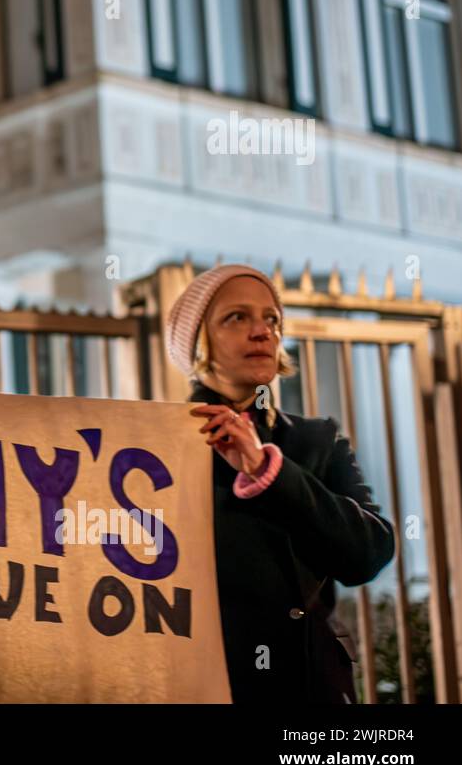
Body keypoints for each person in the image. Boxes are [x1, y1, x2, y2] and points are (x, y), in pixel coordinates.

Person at [166, 264, 395, 703]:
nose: (262, 332)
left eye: (271, 319)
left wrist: (270, 472)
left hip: (311, 687)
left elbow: (368, 554)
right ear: (196, 342)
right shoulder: (159, 449)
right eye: (237, 318)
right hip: (210, 686)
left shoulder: (318, 439)